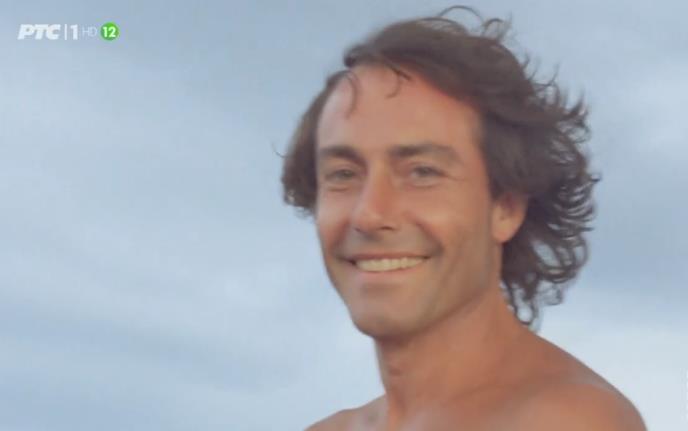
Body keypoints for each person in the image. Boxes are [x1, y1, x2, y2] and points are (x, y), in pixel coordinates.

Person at [281, 6, 646, 430]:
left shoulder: (566, 421)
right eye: (343, 174)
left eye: (422, 172)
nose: (369, 213)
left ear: (506, 207)